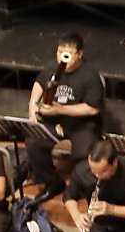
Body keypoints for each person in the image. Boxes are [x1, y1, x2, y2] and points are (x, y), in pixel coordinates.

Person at [24, 33, 106, 196]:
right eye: (59, 52)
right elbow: (39, 83)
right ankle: (52, 182)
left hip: (82, 124)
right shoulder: (52, 69)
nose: (63, 57)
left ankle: (83, 186)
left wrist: (61, 109)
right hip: (55, 121)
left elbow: (93, 108)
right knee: (33, 142)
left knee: (84, 151)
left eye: (68, 53)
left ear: (80, 54)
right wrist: (32, 105)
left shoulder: (90, 75)